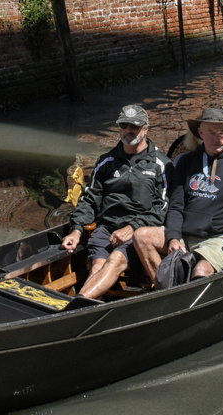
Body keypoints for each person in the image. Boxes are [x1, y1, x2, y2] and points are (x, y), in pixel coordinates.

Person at [60, 104, 171, 298]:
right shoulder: (106, 162)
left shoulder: (161, 164)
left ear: (145, 128)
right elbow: (89, 200)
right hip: (107, 229)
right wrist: (76, 230)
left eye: (134, 126)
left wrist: (133, 227)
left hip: (139, 233)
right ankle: (85, 309)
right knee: (98, 265)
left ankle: (78, 305)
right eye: (124, 125)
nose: (128, 130)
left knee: (116, 259)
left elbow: (164, 207)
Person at [164, 107, 223, 278]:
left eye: (222, 131)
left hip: (217, 239)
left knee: (201, 270)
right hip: (183, 235)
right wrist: (173, 237)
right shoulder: (186, 162)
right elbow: (175, 206)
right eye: (212, 132)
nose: (218, 137)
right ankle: (164, 288)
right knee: (143, 236)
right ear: (201, 133)